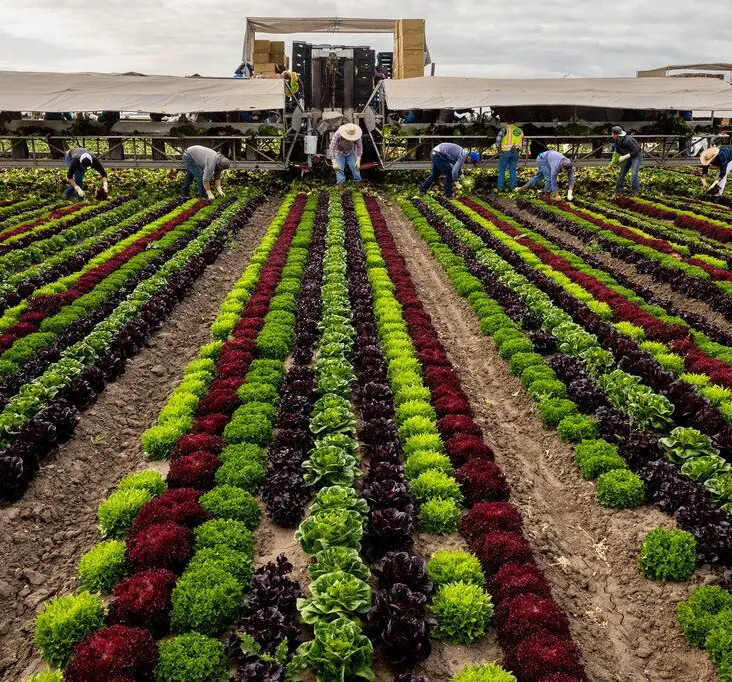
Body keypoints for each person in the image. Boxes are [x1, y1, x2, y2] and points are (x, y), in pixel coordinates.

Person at [328, 123, 363, 188]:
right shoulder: (338, 134)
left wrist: (358, 160)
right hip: (339, 152)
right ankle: (341, 185)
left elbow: (359, 147)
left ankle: (358, 184)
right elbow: (332, 148)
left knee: (355, 167)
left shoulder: (357, 135)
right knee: (339, 169)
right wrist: (334, 161)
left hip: (350, 152)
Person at [611, 125, 643, 196]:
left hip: (636, 156)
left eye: (612, 133)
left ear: (617, 134)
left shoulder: (628, 140)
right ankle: (618, 191)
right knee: (622, 173)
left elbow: (636, 151)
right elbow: (618, 151)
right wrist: (614, 162)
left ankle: (635, 191)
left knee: (634, 174)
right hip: (627, 155)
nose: (612, 135)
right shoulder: (616, 140)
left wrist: (625, 156)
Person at [496, 121, 524, 191]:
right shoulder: (520, 130)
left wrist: (498, 148)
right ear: (515, 123)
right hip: (516, 152)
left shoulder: (505, 129)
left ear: (507, 123)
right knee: (513, 170)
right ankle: (513, 187)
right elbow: (522, 141)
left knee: (502, 170)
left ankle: (500, 188)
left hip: (506, 151)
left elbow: (498, 139)